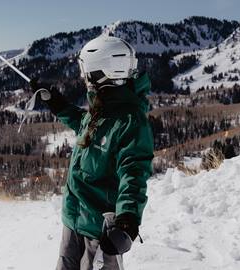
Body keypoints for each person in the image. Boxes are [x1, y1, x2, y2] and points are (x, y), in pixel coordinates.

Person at [31, 35, 154, 270]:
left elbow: (134, 171)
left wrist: (127, 219)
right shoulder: (104, 106)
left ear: (101, 71)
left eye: (86, 70)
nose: (84, 76)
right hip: (75, 217)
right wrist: (57, 103)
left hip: (100, 229)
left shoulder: (129, 120)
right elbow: (84, 125)